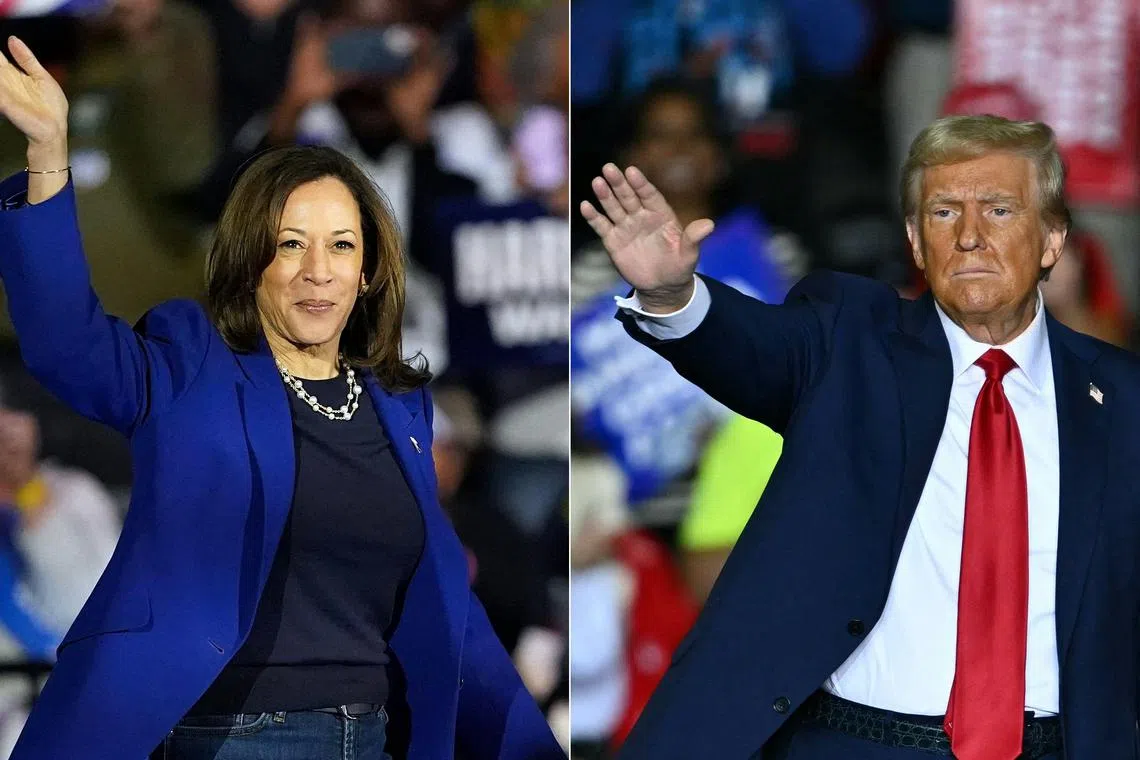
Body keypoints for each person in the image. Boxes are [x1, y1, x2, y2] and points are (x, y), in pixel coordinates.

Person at [0, 36, 564, 760]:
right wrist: (48, 152)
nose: (316, 272)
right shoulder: (191, 364)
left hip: (374, 740)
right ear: (249, 262)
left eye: (341, 246)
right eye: (290, 244)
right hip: (231, 738)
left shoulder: (401, 408)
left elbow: (448, 617)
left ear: (369, 272)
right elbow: (64, 342)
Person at [581, 113, 1140, 759]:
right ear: (913, 238)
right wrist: (673, 292)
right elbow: (750, 349)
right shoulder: (850, 340)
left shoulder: (1121, 397)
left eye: (1000, 210)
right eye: (943, 213)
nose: (969, 236)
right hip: (855, 743)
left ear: (1052, 240)